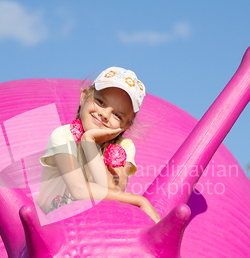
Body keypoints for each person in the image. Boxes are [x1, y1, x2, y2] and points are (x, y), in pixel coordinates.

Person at [35, 67, 160, 223]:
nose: (105, 115)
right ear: (83, 97)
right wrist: (140, 201)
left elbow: (113, 192)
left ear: (127, 125)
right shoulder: (63, 137)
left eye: (117, 115)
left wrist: (90, 144)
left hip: (91, 226)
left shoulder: (124, 147)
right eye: (100, 102)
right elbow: (78, 190)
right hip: (51, 225)